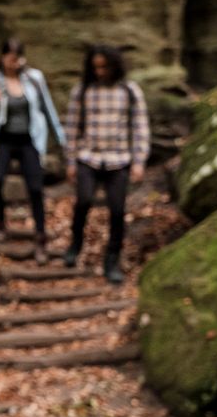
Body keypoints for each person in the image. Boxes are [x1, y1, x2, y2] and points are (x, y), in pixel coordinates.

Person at [0, 38, 66, 262]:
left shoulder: (34, 79)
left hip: (28, 140)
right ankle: (0, 225)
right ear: (3, 58)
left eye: (17, 58)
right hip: (1, 140)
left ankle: (40, 236)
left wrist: (60, 138)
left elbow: (47, 108)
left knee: (35, 187)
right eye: (10, 59)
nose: (14, 63)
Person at [62, 45, 151, 285]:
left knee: (117, 210)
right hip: (87, 158)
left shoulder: (130, 91)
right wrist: (70, 161)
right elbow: (71, 128)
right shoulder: (82, 91)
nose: (100, 72)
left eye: (104, 66)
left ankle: (111, 260)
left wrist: (139, 161)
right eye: (96, 67)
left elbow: (140, 128)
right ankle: (75, 244)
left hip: (119, 160)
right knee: (83, 201)